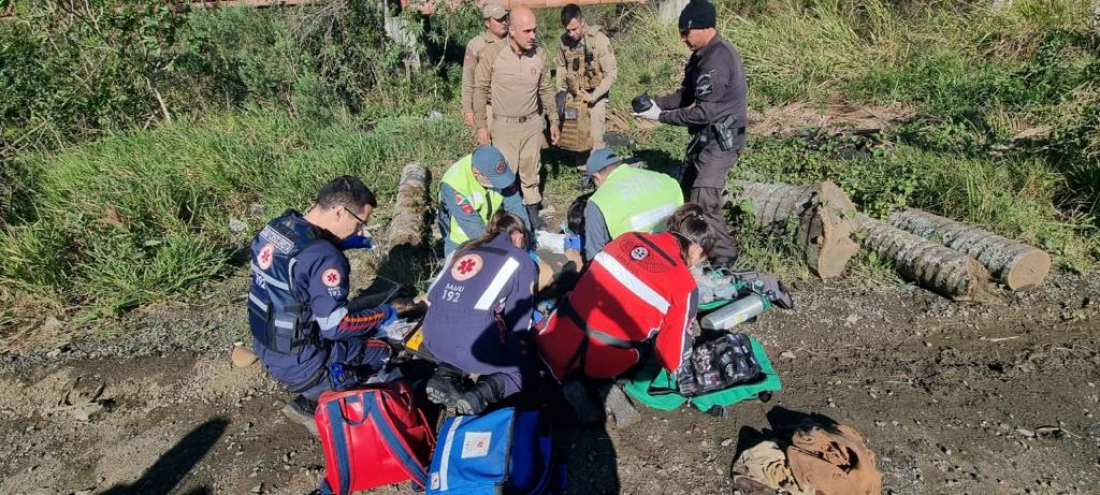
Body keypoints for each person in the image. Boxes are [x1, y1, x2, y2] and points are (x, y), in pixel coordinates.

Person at [247, 176, 399, 434]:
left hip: (269, 345)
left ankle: (312, 394)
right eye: (360, 222)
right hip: (305, 364)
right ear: (339, 211)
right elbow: (336, 327)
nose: (360, 231)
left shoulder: (278, 226)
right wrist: (387, 313)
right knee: (386, 348)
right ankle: (337, 404)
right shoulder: (326, 256)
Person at [535, 203, 718, 381]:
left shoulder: (627, 238)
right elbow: (672, 358)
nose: (696, 265)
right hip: (601, 362)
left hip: (556, 336)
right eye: (701, 259)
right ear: (695, 250)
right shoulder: (684, 285)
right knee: (648, 346)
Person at [633, 0, 746, 266]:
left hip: (721, 141)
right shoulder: (701, 56)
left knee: (704, 197)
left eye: (686, 32)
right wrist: (656, 104)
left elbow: (704, 112)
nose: (683, 38)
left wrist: (660, 117)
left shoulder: (718, 59)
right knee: (683, 193)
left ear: (703, 27)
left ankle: (724, 258)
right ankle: (685, 248)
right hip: (705, 138)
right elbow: (686, 96)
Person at [421, 211, 539, 414]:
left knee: (465, 329)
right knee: (523, 364)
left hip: (431, 338)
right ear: (519, 235)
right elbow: (519, 321)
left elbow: (430, 297)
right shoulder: (519, 259)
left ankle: (445, 375)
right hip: (471, 345)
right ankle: (482, 393)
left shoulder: (463, 249)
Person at [473, 6, 560, 228]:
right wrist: (481, 126)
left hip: (531, 123)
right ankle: (503, 218)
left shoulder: (539, 55)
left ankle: (532, 214)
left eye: (534, 30)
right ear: (511, 30)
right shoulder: (493, 54)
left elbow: (546, 90)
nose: (533, 36)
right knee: (504, 173)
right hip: (503, 126)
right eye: (527, 31)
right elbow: (480, 89)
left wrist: (553, 120)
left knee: (531, 171)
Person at [581, 148, 683, 261]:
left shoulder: (599, 202)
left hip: (637, 265)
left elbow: (595, 257)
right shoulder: (665, 180)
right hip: (676, 255)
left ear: (596, 177)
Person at [439, 145, 532, 257]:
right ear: (476, 172)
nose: (499, 183)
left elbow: (515, 205)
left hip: (494, 233)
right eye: (493, 180)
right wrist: (500, 249)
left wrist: (524, 237)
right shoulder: (453, 184)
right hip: (463, 242)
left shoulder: (497, 167)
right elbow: (472, 227)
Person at [555, 4, 617, 161]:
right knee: (577, 134)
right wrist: (559, 87)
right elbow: (562, 66)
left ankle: (598, 174)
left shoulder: (599, 40)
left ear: (582, 21)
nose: (571, 34)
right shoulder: (563, 42)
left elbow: (611, 74)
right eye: (568, 30)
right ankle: (583, 174)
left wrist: (595, 96)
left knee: (595, 137)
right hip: (574, 95)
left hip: (595, 94)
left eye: (574, 29)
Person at [460, 3, 508, 129]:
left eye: (505, 18)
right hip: (489, 106)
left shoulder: (513, 42)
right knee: (492, 145)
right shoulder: (476, 45)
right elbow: (468, 79)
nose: (503, 23)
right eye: (498, 20)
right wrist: (468, 110)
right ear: (487, 23)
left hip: (513, 106)